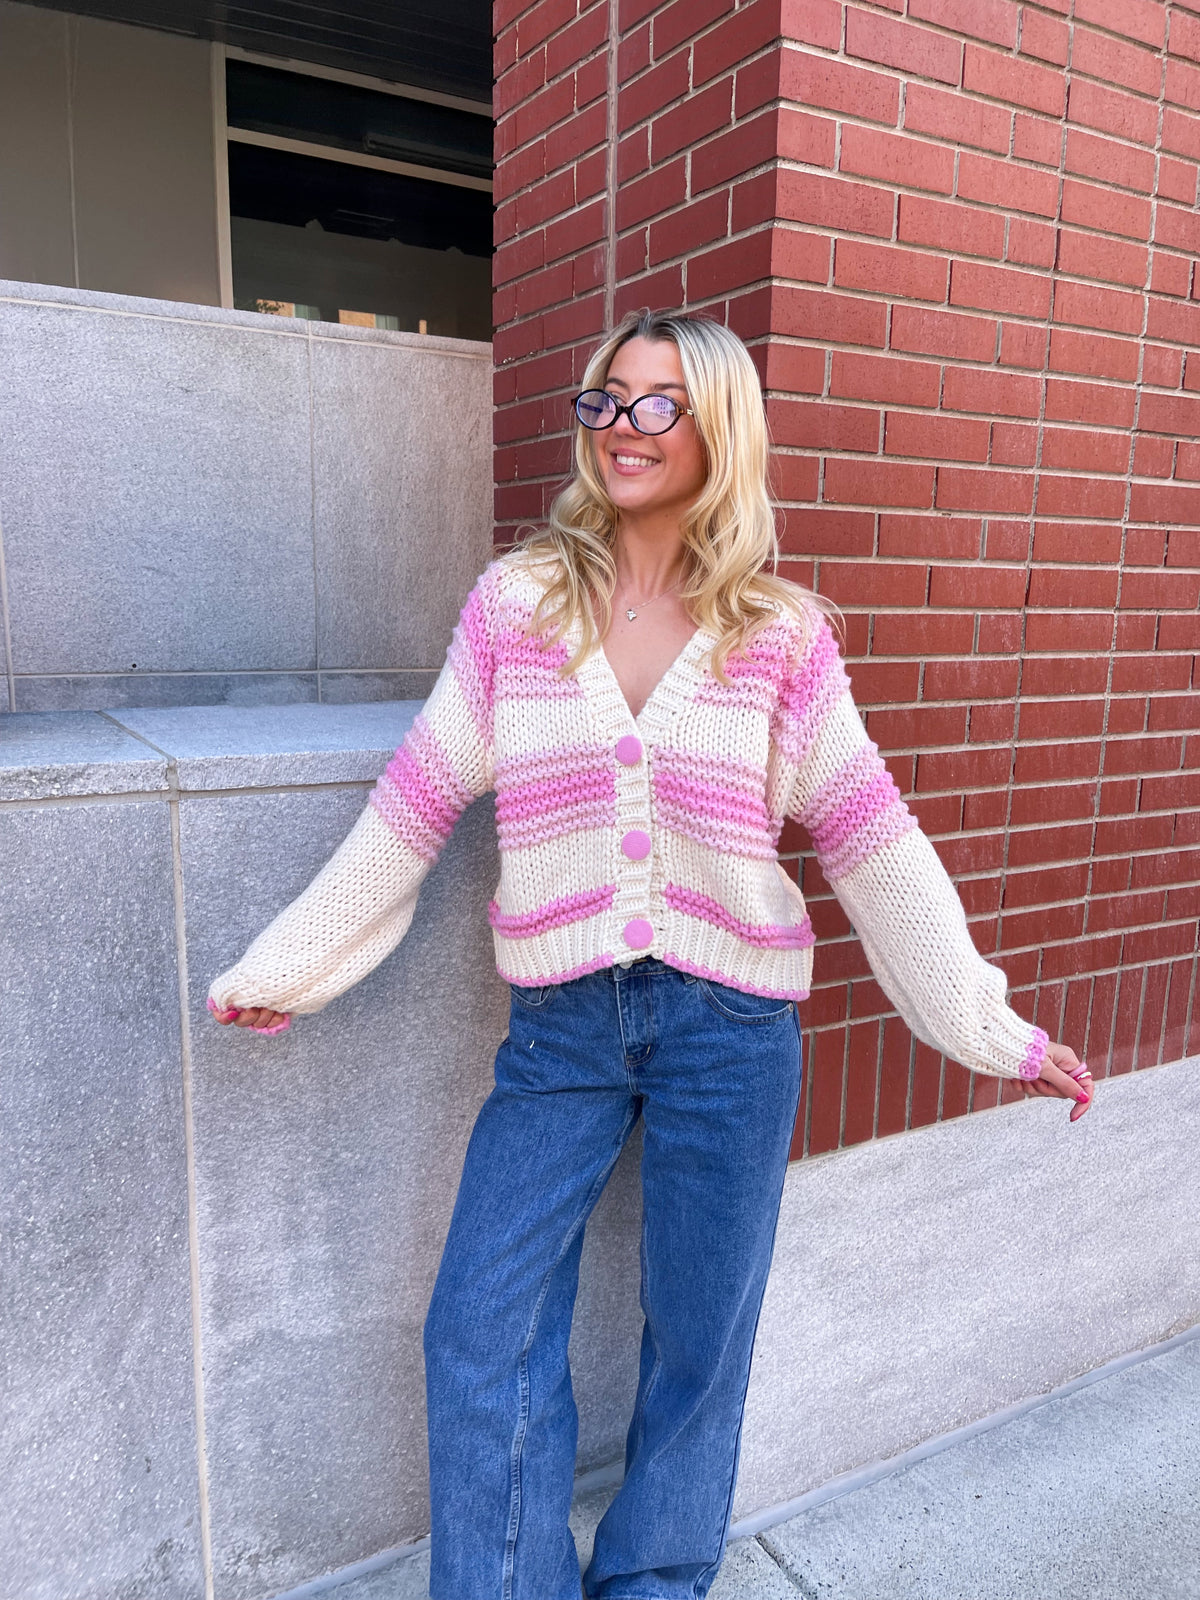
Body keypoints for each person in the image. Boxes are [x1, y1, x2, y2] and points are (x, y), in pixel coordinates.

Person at [208, 309, 1093, 1600]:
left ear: (718, 428)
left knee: (698, 1347)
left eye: (658, 403)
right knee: (479, 1324)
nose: (621, 427)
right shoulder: (517, 605)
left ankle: (655, 1584)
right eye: (606, 399)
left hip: (730, 1032)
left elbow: (872, 839)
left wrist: (987, 1025)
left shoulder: (780, 635)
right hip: (562, 1029)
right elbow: (415, 801)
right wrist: (289, 965)